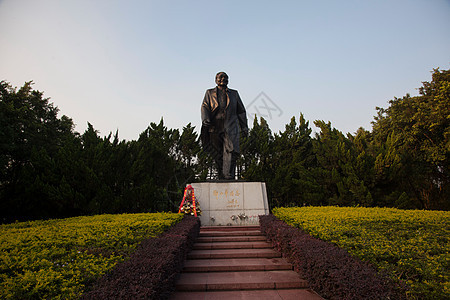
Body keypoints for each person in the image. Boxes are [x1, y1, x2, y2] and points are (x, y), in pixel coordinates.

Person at [201, 72, 248, 180]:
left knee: (230, 149)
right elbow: (205, 106)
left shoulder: (234, 94)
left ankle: (228, 174)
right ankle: (220, 174)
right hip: (215, 125)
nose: (223, 79)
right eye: (220, 77)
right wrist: (205, 119)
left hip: (230, 125)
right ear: (215, 79)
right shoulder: (209, 92)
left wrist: (244, 127)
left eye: (225, 77)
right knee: (216, 150)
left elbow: (241, 111)